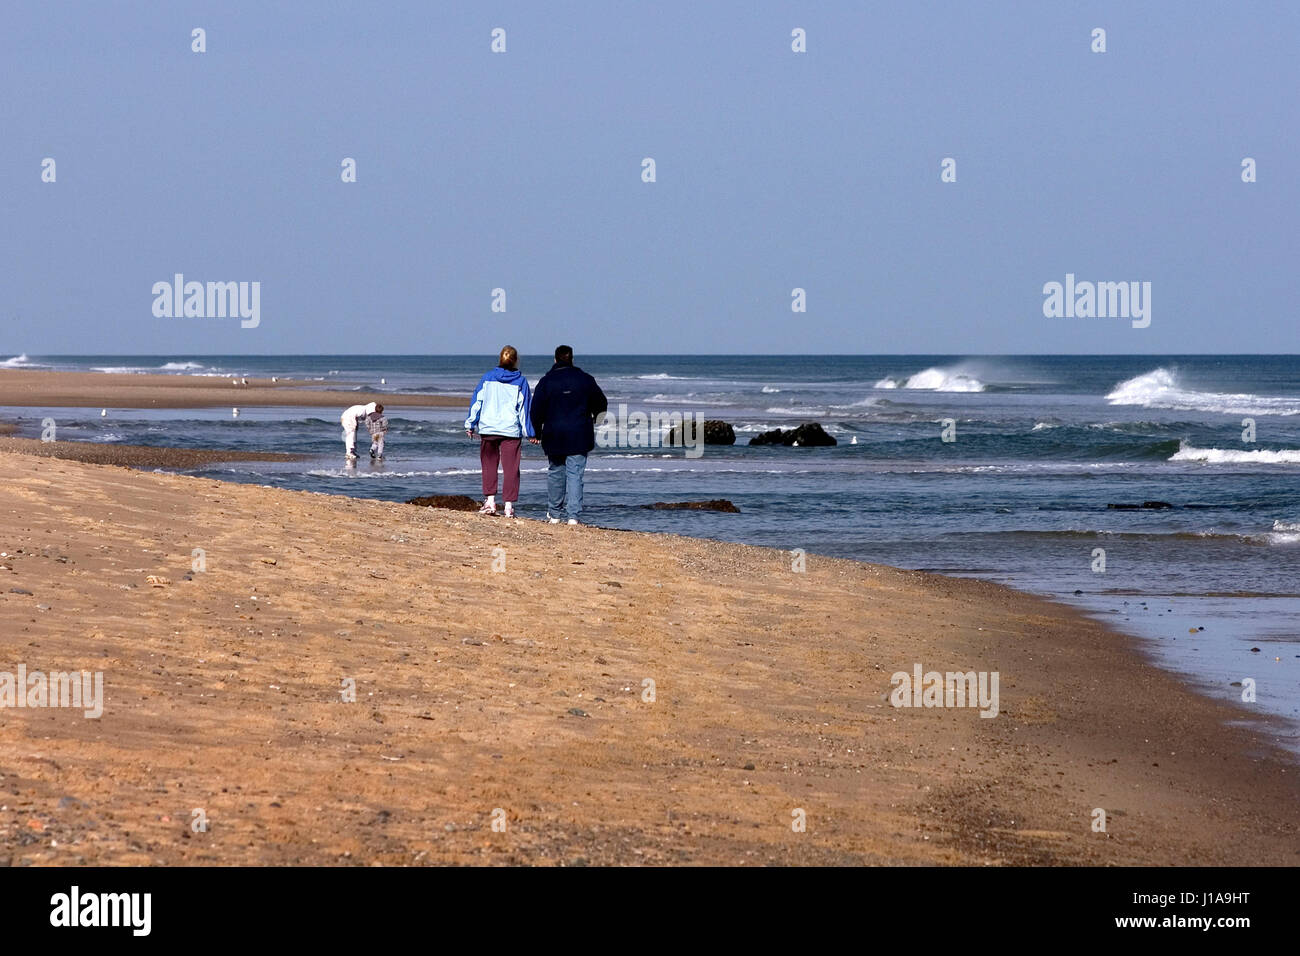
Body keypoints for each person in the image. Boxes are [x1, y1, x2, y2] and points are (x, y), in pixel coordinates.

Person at [530, 345, 607, 525]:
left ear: (555, 359)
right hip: (579, 432)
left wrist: (537, 431)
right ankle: (573, 516)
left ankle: (555, 514)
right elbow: (601, 402)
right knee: (575, 474)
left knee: (556, 472)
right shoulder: (585, 380)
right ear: (572, 359)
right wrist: (596, 418)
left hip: (554, 433)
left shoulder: (546, 381)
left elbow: (536, 409)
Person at [465, 346, 538, 517]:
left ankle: (490, 501)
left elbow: (477, 402)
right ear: (515, 360)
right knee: (511, 468)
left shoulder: (487, 378)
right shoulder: (521, 381)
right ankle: (508, 506)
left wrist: (470, 424)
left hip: (489, 428)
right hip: (510, 430)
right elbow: (524, 410)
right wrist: (531, 433)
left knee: (489, 465)